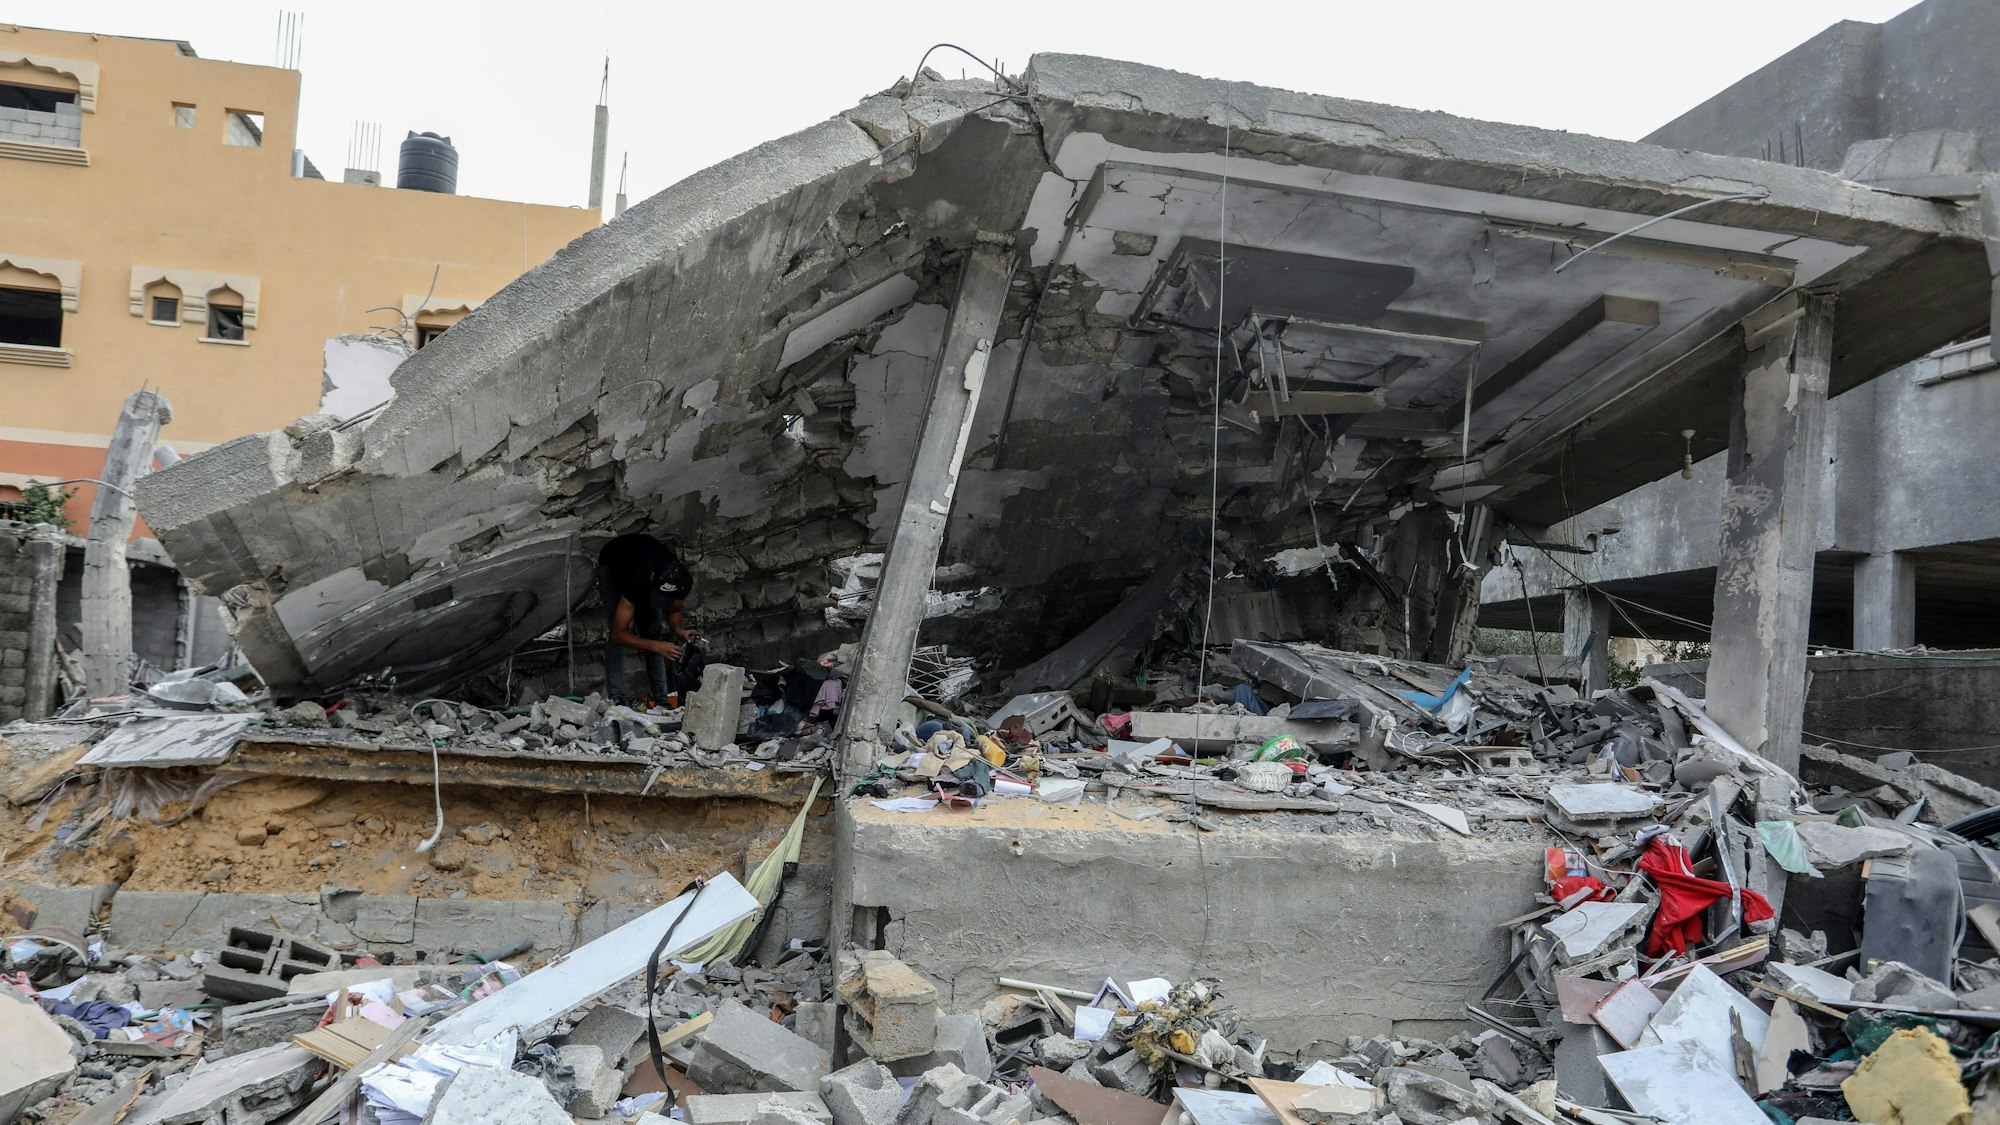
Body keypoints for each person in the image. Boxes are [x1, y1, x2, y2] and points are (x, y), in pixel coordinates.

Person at [595, 533, 698, 703]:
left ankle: (661, 699)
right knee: (619, 639)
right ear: (652, 578)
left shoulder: (682, 580)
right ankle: (618, 699)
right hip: (613, 564)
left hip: (644, 563)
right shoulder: (637, 580)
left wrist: (679, 631)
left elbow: (674, 610)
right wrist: (657, 647)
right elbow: (618, 634)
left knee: (652, 631)